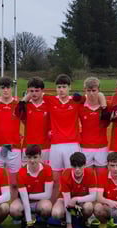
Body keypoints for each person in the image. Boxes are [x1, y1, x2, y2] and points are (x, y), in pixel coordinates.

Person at [44, 74, 84, 203]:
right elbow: (33, 94)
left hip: (72, 145)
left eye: (64, 87)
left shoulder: (76, 101)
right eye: (59, 87)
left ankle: (74, 207)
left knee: (73, 177)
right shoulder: (51, 101)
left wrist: (81, 96)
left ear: (69, 87)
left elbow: (94, 96)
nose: (61, 90)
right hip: (55, 145)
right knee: (55, 180)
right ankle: (53, 207)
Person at [9, 144, 54, 228]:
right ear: (26, 158)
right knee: (14, 209)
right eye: (29, 157)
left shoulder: (48, 169)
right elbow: (25, 200)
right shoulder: (21, 173)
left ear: (40, 157)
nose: (32, 160)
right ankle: (25, 220)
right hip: (25, 201)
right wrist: (30, 224)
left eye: (35, 157)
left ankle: (42, 221)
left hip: (39, 201)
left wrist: (30, 195)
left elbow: (48, 194)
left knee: (47, 207)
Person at [0, 77, 22, 199]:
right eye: (2, 87)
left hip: (14, 148)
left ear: (11, 88)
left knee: (14, 183)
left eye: (8, 87)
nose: (5, 90)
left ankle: (14, 209)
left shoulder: (18, 104)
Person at [51, 152, 97, 228]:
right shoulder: (65, 174)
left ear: (85, 165)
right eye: (74, 166)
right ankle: (66, 221)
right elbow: (67, 202)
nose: (77, 169)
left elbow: (93, 196)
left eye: (80, 166)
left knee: (89, 207)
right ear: (71, 165)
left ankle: (83, 221)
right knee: (56, 213)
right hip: (65, 200)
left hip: (81, 201)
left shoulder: (90, 173)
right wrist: (69, 225)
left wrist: (76, 199)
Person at [16, 77, 51, 165]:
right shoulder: (26, 105)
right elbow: (16, 112)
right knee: (27, 174)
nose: (34, 93)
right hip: (28, 146)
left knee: (44, 174)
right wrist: (26, 97)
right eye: (31, 91)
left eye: (37, 90)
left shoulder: (48, 104)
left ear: (42, 90)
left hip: (45, 147)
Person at [79, 77, 109, 177]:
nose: (91, 93)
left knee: (102, 179)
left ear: (98, 90)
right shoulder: (80, 106)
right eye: (88, 90)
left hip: (102, 148)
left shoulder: (107, 105)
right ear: (85, 90)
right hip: (85, 148)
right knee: (87, 180)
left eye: (94, 90)